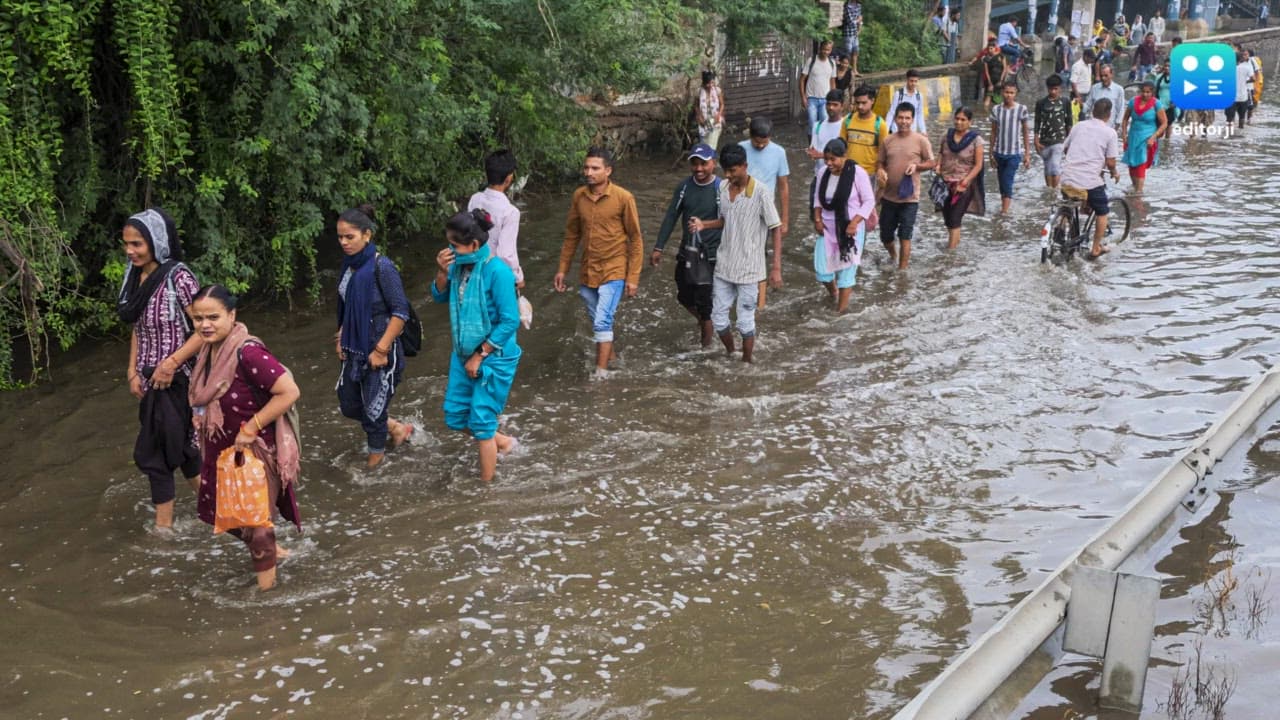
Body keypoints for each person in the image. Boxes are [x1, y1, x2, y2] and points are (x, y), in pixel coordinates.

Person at [187, 284, 301, 591]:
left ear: (232, 315)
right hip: (221, 450)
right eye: (198, 319)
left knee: (258, 527)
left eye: (213, 317)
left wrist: (250, 427)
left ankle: (268, 596)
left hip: (254, 453)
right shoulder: (207, 352)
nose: (205, 325)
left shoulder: (247, 352)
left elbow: (289, 391)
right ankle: (276, 554)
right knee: (224, 517)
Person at [119, 207, 202, 532]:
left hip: (177, 381)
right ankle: (220, 508)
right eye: (127, 244)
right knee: (183, 449)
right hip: (149, 380)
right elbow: (138, 329)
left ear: (156, 241)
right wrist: (131, 372)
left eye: (137, 244)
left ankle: (163, 531)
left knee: (154, 453)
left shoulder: (178, 277)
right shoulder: (133, 276)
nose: (130, 251)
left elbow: (204, 329)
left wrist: (171, 364)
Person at [431, 210, 522, 483]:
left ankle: (485, 491)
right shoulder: (458, 267)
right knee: (456, 417)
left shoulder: (498, 272)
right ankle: (503, 443)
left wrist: (481, 355)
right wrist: (441, 272)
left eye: (454, 246)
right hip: (463, 353)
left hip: (493, 356)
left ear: (473, 245)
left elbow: (510, 321)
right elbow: (438, 296)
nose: (450, 250)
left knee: (481, 422)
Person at [333, 205, 413, 469]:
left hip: (380, 349)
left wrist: (381, 350)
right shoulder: (349, 267)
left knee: (373, 410)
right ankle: (396, 428)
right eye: (340, 237)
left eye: (349, 237)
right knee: (349, 404)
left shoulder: (383, 267)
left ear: (367, 235)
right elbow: (346, 307)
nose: (343, 243)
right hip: (354, 349)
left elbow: (400, 312)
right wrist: (341, 337)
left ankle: (374, 463)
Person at [554, 147, 644, 376]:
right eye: (586, 167)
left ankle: (601, 375)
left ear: (608, 171)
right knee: (597, 318)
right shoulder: (579, 196)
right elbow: (572, 234)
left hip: (614, 268)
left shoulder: (624, 198)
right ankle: (612, 358)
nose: (589, 172)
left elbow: (635, 239)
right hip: (588, 269)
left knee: (602, 320)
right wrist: (563, 269)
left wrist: (632, 277)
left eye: (595, 168)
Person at [688, 143, 781, 363]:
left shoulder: (761, 193)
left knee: (745, 322)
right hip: (724, 266)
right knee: (718, 319)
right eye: (725, 171)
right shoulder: (722, 189)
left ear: (744, 166)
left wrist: (776, 267)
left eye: (733, 171)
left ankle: (747, 361)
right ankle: (731, 352)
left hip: (750, 270)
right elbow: (725, 221)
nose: (728, 176)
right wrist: (705, 225)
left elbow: (775, 227)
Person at [651, 143, 723, 347]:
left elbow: (729, 220)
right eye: (695, 164)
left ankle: (706, 349)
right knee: (683, 295)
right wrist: (659, 247)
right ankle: (704, 320)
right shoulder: (684, 187)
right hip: (688, 252)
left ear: (714, 164)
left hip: (711, 255)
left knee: (705, 304)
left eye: (704, 164)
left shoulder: (721, 189)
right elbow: (671, 216)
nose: (699, 169)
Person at [810, 138, 875, 312]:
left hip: (849, 230)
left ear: (844, 156)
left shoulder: (857, 173)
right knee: (822, 271)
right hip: (827, 228)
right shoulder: (823, 172)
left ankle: (840, 312)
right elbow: (817, 198)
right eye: (826, 159)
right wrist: (817, 219)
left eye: (833, 159)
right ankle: (834, 292)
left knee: (846, 272)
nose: (829, 163)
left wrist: (854, 223)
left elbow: (869, 201)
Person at [875, 102, 935, 268]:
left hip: (910, 198)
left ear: (913, 119)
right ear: (895, 119)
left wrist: (917, 167)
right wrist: (880, 171)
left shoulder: (921, 141)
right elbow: (880, 162)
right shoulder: (888, 140)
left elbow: (932, 163)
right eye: (900, 117)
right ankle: (893, 254)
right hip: (888, 196)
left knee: (905, 235)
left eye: (907, 118)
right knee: (885, 235)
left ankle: (902, 271)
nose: (904, 121)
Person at [738, 117, 790, 308]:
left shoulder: (779, 153)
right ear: (749, 135)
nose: (760, 146)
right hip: (741, 210)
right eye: (756, 142)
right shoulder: (740, 149)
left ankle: (760, 303)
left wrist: (784, 219)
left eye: (764, 142)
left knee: (758, 255)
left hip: (765, 211)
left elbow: (783, 187)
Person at [1060, 98, 1121, 259]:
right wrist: (1114, 172)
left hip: (1067, 177)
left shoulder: (1078, 126)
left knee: (1068, 204)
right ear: (1109, 115)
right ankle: (1095, 248)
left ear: (1092, 111)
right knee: (1102, 211)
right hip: (1088, 181)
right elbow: (1110, 162)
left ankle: (1059, 230)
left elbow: (1065, 148)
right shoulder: (1110, 133)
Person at [467, 149, 524, 289]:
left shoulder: (475, 199)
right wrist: (518, 277)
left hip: (472, 270)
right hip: (495, 276)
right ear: (508, 179)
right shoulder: (510, 212)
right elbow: (506, 254)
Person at [936, 107, 986, 249]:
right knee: (947, 218)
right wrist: (938, 165)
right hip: (945, 183)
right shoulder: (947, 135)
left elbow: (978, 165)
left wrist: (965, 181)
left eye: (963, 119)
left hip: (963, 185)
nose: (959, 122)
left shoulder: (976, 140)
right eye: (957, 118)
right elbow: (941, 153)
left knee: (955, 218)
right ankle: (955, 243)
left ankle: (950, 253)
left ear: (970, 122)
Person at [989, 81, 1031, 213]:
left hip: (1014, 153)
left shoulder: (1021, 109)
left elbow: (1025, 132)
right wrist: (990, 153)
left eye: (1011, 93)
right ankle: (1004, 206)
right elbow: (993, 132)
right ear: (1002, 92)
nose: (1008, 95)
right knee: (1001, 183)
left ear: (1015, 94)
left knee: (1007, 181)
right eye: (1006, 92)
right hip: (999, 152)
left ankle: (1004, 213)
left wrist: (1027, 154)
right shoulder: (996, 109)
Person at [1120, 80, 1168, 193]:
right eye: (1143, 91)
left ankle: (1139, 193)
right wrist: (1124, 134)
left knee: (1141, 164)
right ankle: (1134, 187)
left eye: (1148, 92)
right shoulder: (1133, 102)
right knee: (1132, 163)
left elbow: (1164, 123)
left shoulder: (1156, 104)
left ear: (1152, 93)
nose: (1145, 94)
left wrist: (1153, 137)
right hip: (1133, 137)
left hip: (1147, 139)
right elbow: (1125, 119)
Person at [841, 85, 891, 180]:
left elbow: (883, 152)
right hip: (848, 171)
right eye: (857, 103)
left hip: (869, 174)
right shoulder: (847, 120)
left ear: (872, 101)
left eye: (864, 103)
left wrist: (881, 170)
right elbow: (842, 146)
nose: (860, 106)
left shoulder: (880, 125)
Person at [1035, 74, 1075, 189]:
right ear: (1047, 88)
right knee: (1047, 168)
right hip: (1044, 140)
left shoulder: (1065, 102)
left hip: (1059, 140)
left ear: (1060, 88)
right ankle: (1050, 191)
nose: (1053, 91)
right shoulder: (1041, 103)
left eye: (1055, 89)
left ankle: (1055, 191)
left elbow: (1069, 122)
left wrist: (1069, 141)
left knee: (1055, 166)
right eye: (1051, 89)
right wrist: (1036, 140)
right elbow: (1037, 122)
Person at [800, 40, 838, 129]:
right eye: (824, 49)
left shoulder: (832, 63)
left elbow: (832, 81)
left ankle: (822, 142)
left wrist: (834, 99)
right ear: (820, 49)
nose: (825, 52)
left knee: (824, 122)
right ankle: (811, 142)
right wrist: (803, 98)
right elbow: (802, 80)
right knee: (812, 123)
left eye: (828, 50)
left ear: (831, 50)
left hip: (825, 99)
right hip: (811, 98)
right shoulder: (811, 60)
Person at [1083, 64, 1126, 130]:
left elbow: (1120, 110)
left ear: (1112, 75)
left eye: (1106, 76)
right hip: (1093, 126)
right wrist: (1080, 105)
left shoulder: (1119, 90)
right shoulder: (1094, 88)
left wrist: (1116, 128)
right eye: (1101, 76)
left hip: (1109, 127)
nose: (1103, 78)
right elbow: (1088, 105)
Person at [885, 69, 928, 133]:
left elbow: (920, 115)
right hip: (896, 130)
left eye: (916, 81)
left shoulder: (919, 96)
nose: (913, 83)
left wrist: (923, 131)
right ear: (907, 80)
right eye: (911, 81)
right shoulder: (899, 94)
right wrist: (886, 130)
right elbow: (891, 112)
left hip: (912, 131)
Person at [1224, 51, 1255, 129]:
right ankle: (1241, 134)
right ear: (1241, 59)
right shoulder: (1246, 68)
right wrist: (1245, 81)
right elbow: (1253, 79)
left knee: (1229, 119)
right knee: (1242, 118)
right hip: (1243, 97)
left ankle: (1229, 135)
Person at [696, 70, 725, 150]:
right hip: (704, 121)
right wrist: (699, 116)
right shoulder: (699, 91)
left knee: (711, 147)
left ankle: (711, 160)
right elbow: (696, 106)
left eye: (712, 83)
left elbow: (722, 104)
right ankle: (707, 161)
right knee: (704, 145)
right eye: (708, 83)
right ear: (704, 83)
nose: (710, 85)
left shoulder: (717, 90)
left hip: (715, 121)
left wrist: (719, 115)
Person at [980, 39, 1009, 110]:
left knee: (998, 98)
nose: (990, 50)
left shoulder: (1001, 56)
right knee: (988, 97)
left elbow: (1004, 69)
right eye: (988, 49)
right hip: (991, 80)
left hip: (999, 79)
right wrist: (990, 83)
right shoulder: (986, 59)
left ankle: (997, 111)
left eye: (991, 48)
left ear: (995, 48)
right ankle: (985, 112)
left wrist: (1001, 80)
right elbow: (986, 71)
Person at [842, 0, 864, 76]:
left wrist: (859, 29)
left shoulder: (858, 5)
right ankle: (847, 72)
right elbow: (850, 22)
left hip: (855, 33)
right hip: (848, 33)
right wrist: (858, 20)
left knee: (855, 52)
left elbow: (860, 18)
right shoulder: (847, 6)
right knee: (847, 53)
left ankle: (855, 71)